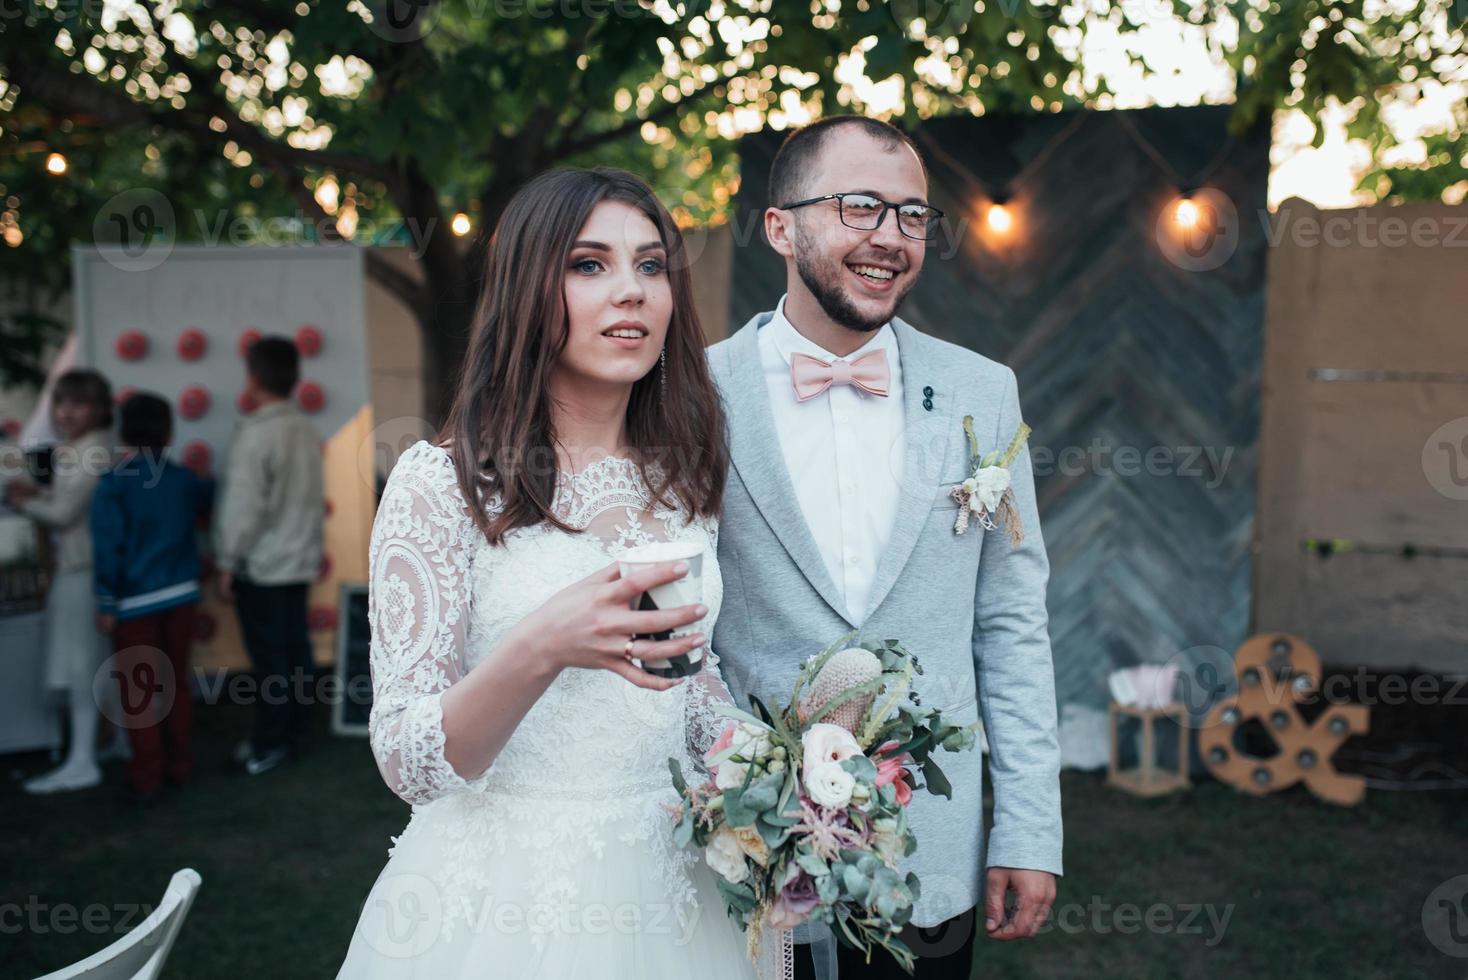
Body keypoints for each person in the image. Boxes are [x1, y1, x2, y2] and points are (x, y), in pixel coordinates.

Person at [335, 168, 766, 978]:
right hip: (508, 902)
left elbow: (690, 692)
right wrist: (543, 644)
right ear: (529, 288)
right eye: (589, 264)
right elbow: (407, 761)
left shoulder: (682, 479)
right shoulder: (445, 484)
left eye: (651, 265)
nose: (631, 291)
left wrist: (788, 775)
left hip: (674, 884)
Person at [707, 115, 1063, 980]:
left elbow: (1011, 623)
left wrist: (1028, 827)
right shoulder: (692, 392)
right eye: (861, 206)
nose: (891, 238)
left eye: (912, 216)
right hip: (744, 857)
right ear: (780, 227)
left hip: (930, 862)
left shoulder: (984, 390)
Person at [90, 392, 212, 803]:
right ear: (170, 432)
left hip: (134, 603)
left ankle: (147, 777)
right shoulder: (183, 481)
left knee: (140, 693)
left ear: (123, 432)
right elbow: (206, 506)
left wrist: (106, 602)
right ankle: (181, 766)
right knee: (175, 683)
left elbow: (108, 549)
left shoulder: (113, 485)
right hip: (181, 595)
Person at [5, 369, 122, 794]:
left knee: (79, 668)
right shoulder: (85, 447)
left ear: (97, 408)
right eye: (61, 403)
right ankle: (98, 749)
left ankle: (82, 760)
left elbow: (64, 514)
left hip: (83, 571)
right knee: (89, 665)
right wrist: (37, 497)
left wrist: (23, 501)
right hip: (80, 569)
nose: (66, 412)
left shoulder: (93, 450)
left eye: (78, 403)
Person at [214, 335, 324, 775]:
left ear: (253, 379)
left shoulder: (256, 433)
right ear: (296, 379)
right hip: (298, 560)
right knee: (296, 648)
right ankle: (298, 730)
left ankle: (271, 742)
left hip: (261, 565)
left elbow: (244, 509)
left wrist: (226, 560)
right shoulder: (306, 430)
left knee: (271, 659)